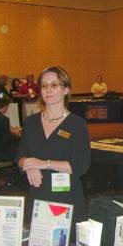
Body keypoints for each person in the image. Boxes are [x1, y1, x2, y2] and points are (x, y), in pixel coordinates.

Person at [16, 66, 91, 232]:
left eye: (54, 85)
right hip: (38, 193)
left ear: (66, 90)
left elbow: (80, 165)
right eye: (44, 85)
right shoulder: (31, 122)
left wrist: (43, 164)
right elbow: (20, 156)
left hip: (66, 196)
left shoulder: (77, 124)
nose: (48, 90)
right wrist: (28, 164)